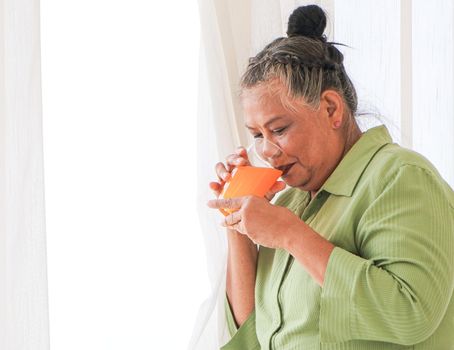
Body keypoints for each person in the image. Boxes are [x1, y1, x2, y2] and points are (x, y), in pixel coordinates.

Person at [206, 4, 454, 350]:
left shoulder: (400, 178)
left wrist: (290, 235)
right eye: (257, 135)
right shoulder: (290, 203)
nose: (265, 150)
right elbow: (248, 339)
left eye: (278, 129)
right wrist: (239, 225)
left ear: (331, 109)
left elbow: (410, 313)